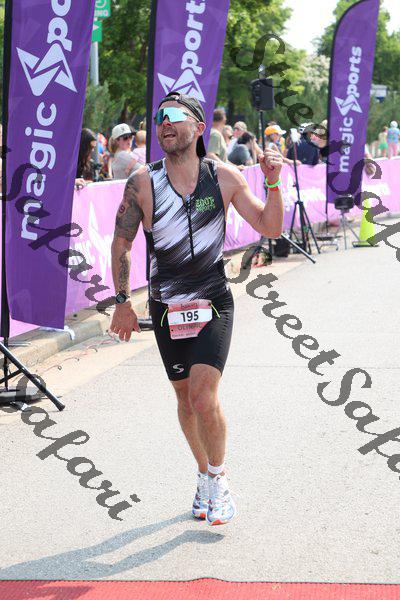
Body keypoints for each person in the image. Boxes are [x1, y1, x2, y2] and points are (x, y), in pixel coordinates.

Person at [110, 91, 284, 526]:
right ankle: (204, 473)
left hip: (212, 300)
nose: (165, 123)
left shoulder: (223, 178)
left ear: (199, 128)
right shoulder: (143, 183)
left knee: (204, 396)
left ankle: (219, 479)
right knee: (186, 400)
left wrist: (273, 182)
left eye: (174, 116)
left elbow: (270, 226)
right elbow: (122, 243)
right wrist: (122, 302)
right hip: (166, 306)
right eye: (160, 117)